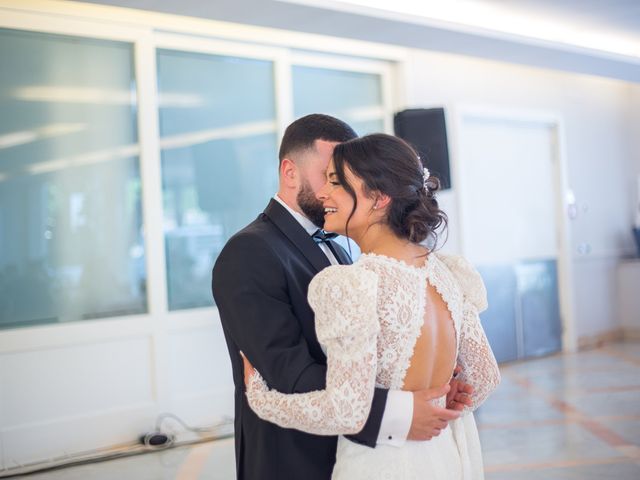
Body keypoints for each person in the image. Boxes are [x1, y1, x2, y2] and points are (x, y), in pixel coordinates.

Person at [212, 115, 474, 480]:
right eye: (329, 175)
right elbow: (291, 375)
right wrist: (401, 412)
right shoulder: (249, 252)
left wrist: (431, 376)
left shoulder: (351, 250)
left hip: (366, 455)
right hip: (296, 460)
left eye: (342, 179)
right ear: (290, 172)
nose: (329, 191)